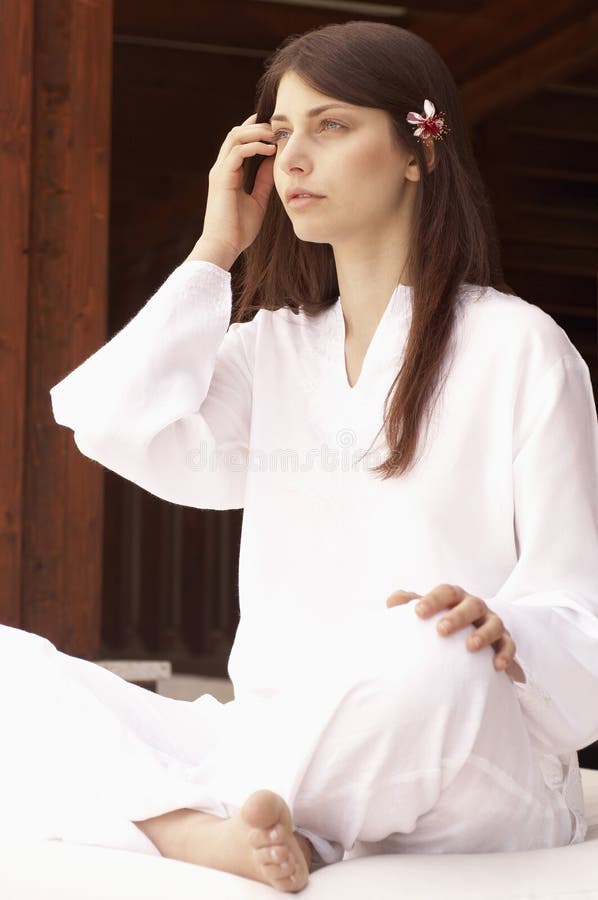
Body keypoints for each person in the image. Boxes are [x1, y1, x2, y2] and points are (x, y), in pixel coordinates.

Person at [2, 20, 597, 896]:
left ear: (419, 151)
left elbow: (578, 604)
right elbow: (107, 420)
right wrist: (216, 251)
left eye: (331, 126)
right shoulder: (271, 350)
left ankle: (189, 816)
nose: (292, 159)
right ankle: (215, 831)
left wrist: (504, 633)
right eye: (279, 133)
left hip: (467, 755)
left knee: (427, 646)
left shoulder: (521, 348)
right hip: (269, 741)